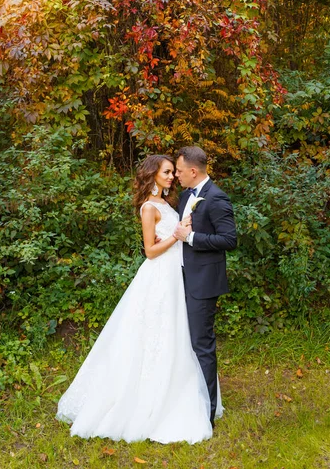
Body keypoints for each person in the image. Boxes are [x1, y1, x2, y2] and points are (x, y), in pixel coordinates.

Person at [56, 154, 221, 444]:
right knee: (153, 332)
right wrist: (177, 236)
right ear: (153, 174)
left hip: (175, 275)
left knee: (176, 333)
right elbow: (150, 250)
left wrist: (177, 233)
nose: (172, 176)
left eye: (173, 172)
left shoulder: (167, 204)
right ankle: (142, 400)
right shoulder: (148, 207)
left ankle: (177, 390)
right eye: (167, 172)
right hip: (159, 275)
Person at [173, 146, 237, 428]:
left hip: (203, 284)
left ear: (193, 171)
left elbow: (229, 240)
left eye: (179, 171)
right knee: (184, 342)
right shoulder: (186, 196)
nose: (176, 175)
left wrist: (192, 238)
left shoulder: (217, 199)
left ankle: (207, 412)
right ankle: (187, 399)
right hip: (180, 280)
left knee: (202, 345)